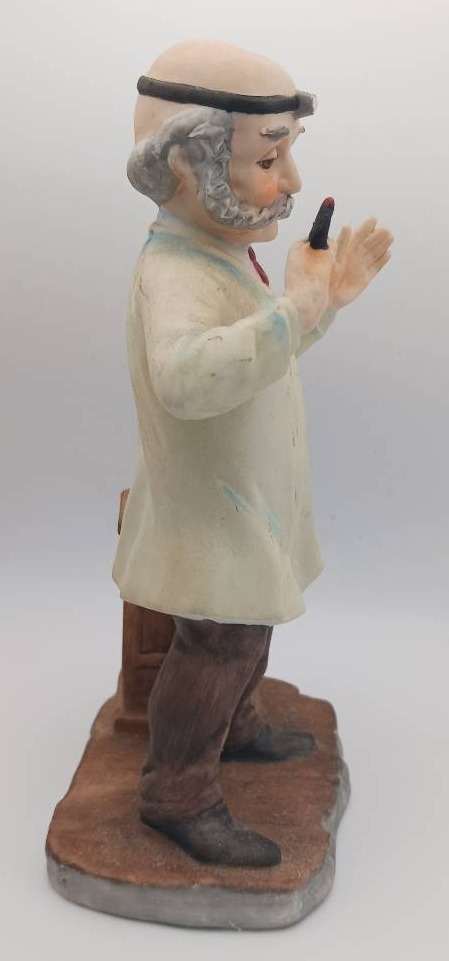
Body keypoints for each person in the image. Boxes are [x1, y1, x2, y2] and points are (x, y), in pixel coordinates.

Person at [112, 40, 393, 867]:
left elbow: (265, 350)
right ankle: (176, 792)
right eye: (268, 159)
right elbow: (187, 379)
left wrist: (320, 305)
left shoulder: (222, 257)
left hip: (246, 495)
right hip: (208, 508)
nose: (291, 181)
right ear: (188, 166)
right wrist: (292, 312)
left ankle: (235, 725)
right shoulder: (174, 274)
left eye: (288, 153)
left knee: (248, 622)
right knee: (217, 643)